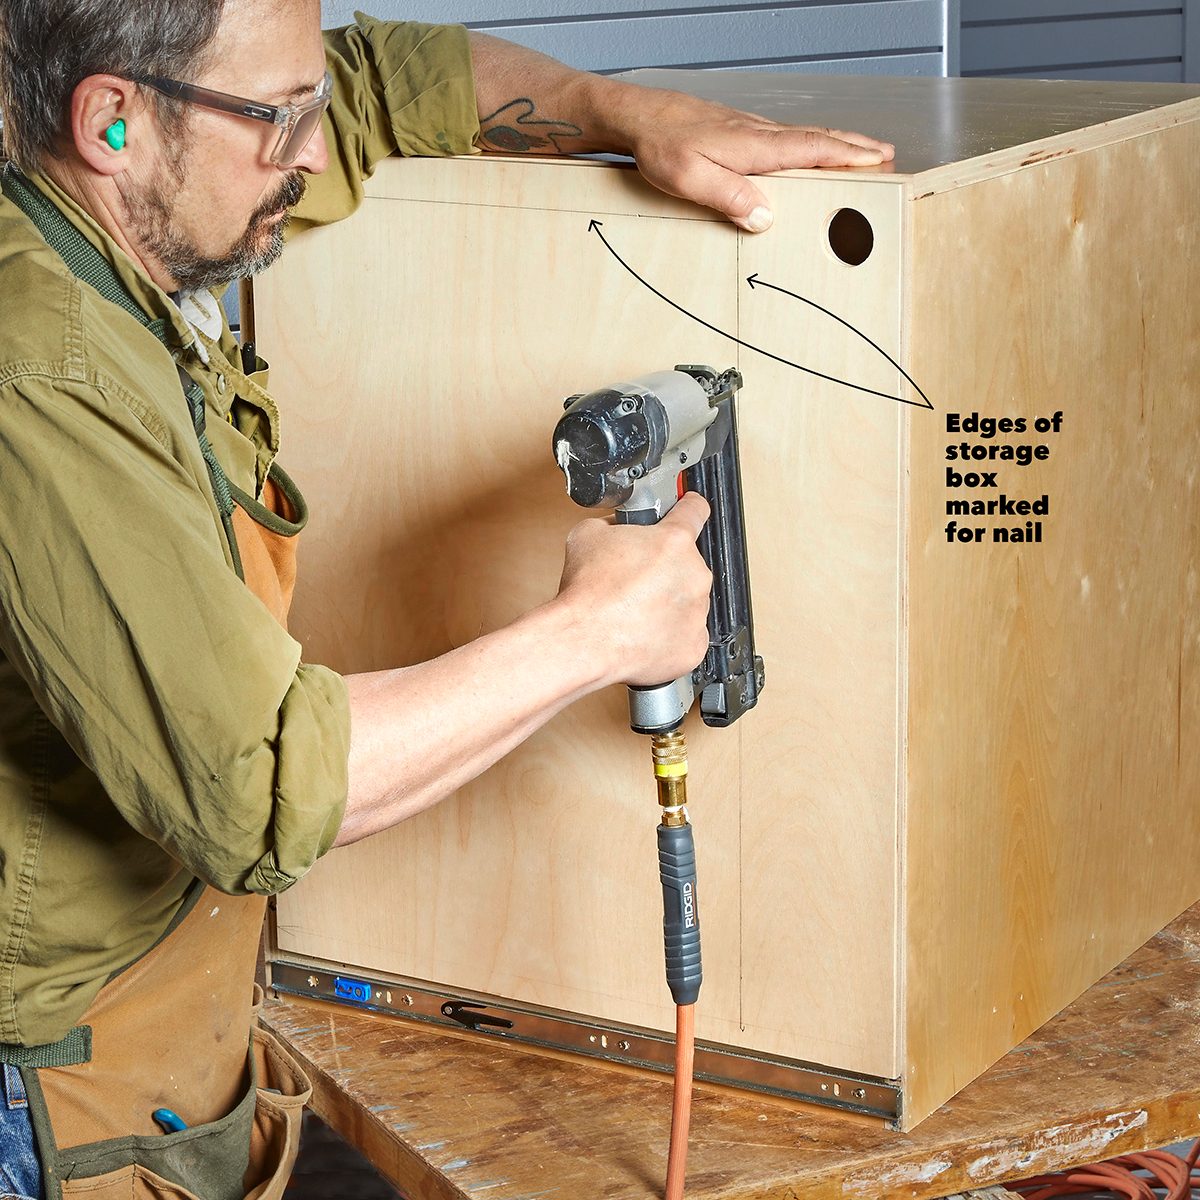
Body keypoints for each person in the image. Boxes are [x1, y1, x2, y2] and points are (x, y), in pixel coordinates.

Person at [0, 2, 894, 1196]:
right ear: (110, 121)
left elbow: (383, 79)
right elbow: (260, 794)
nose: (313, 152)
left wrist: (628, 112)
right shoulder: (40, 371)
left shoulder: (125, 201)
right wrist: (595, 633)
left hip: (179, 1027)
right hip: (44, 1098)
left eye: (306, 106)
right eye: (279, 121)